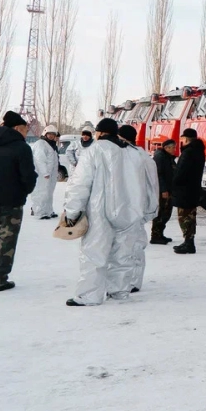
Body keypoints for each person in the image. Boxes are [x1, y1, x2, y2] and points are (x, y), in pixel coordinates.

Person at [63, 118, 143, 306]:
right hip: (129, 211)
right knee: (123, 253)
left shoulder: (93, 151)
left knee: (94, 253)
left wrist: (72, 211)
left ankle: (90, 295)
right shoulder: (132, 153)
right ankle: (119, 291)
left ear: (99, 133)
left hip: (99, 211)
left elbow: (80, 184)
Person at [0, 112, 37, 292]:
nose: (26, 134)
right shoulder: (21, 148)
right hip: (10, 203)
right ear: (17, 128)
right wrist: (24, 192)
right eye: (25, 130)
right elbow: (28, 176)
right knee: (7, 241)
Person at [118, 125, 159, 293]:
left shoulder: (140, 157)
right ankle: (127, 280)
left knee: (134, 246)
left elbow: (151, 185)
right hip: (128, 208)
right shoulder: (136, 155)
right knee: (128, 246)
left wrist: (149, 209)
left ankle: (133, 281)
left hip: (136, 209)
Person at [172, 128, 205, 255]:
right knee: (191, 216)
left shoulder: (188, 153)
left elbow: (181, 171)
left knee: (184, 216)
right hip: (193, 188)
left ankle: (188, 243)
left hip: (184, 190)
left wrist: (173, 184)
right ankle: (189, 241)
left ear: (185, 139)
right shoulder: (199, 151)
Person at [30, 125, 60, 219]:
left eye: (53, 134)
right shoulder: (41, 144)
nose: (51, 136)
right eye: (49, 134)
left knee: (49, 193)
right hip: (43, 174)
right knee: (41, 192)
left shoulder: (52, 145)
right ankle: (39, 211)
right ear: (45, 133)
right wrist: (45, 172)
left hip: (51, 174)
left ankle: (48, 210)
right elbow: (39, 159)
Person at [151, 139, 177, 245]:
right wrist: (163, 189)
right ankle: (156, 236)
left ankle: (160, 234)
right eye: (173, 147)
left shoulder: (168, 157)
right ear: (166, 148)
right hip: (163, 190)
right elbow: (159, 174)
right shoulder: (160, 157)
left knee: (166, 212)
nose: (174, 150)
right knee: (161, 212)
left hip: (169, 188)